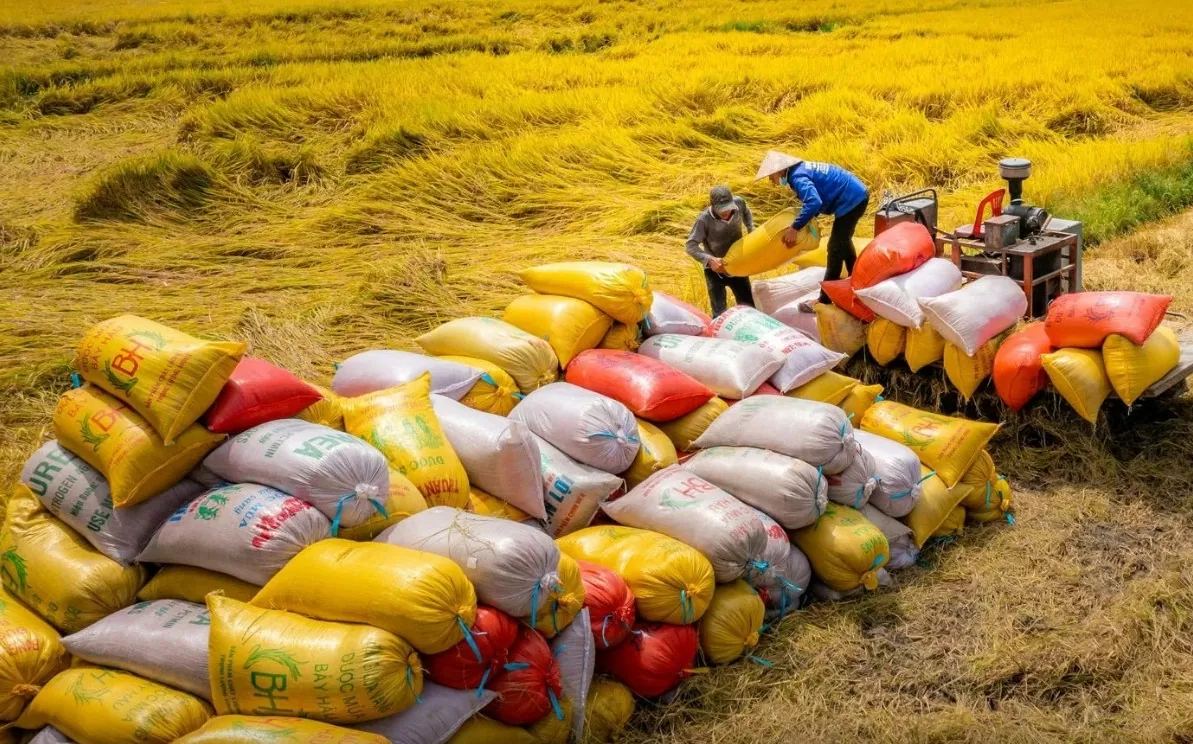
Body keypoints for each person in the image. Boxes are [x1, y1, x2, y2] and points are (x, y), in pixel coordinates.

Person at [754, 150, 869, 305]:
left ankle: (824, 300)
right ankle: (857, 279)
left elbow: (814, 202)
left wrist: (795, 228)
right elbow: (816, 200)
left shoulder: (797, 177)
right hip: (855, 194)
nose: (771, 181)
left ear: (779, 170)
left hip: (852, 200)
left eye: (770, 176)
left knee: (835, 248)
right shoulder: (800, 170)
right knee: (843, 241)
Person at [685, 185, 755, 317]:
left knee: (749, 307)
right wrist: (709, 259)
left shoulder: (739, 203)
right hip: (715, 270)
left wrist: (751, 228)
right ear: (712, 205)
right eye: (722, 210)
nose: (726, 212)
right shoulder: (704, 220)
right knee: (719, 313)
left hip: (737, 264)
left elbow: (747, 212)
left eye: (728, 208)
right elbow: (690, 246)